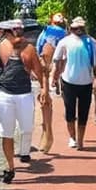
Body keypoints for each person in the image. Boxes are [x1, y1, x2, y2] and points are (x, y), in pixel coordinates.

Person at [0, 20, 41, 182]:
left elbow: (39, 71)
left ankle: (24, 151)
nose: (17, 33)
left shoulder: (29, 49)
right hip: (5, 92)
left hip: (24, 93)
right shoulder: (1, 46)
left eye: (19, 29)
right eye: (13, 30)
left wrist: (45, 91)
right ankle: (10, 167)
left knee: (27, 127)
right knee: (6, 132)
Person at [53, 17, 96, 150]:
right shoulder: (64, 42)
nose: (79, 30)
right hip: (68, 81)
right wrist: (54, 77)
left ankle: (81, 140)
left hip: (86, 83)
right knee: (70, 113)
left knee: (83, 113)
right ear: (71, 29)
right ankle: (72, 137)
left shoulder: (91, 42)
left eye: (81, 28)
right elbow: (57, 60)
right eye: (76, 28)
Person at [35, 13, 67, 154]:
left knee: (45, 101)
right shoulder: (64, 35)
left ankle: (48, 133)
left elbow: (40, 50)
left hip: (48, 69)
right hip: (54, 69)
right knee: (45, 101)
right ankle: (46, 132)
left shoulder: (46, 32)